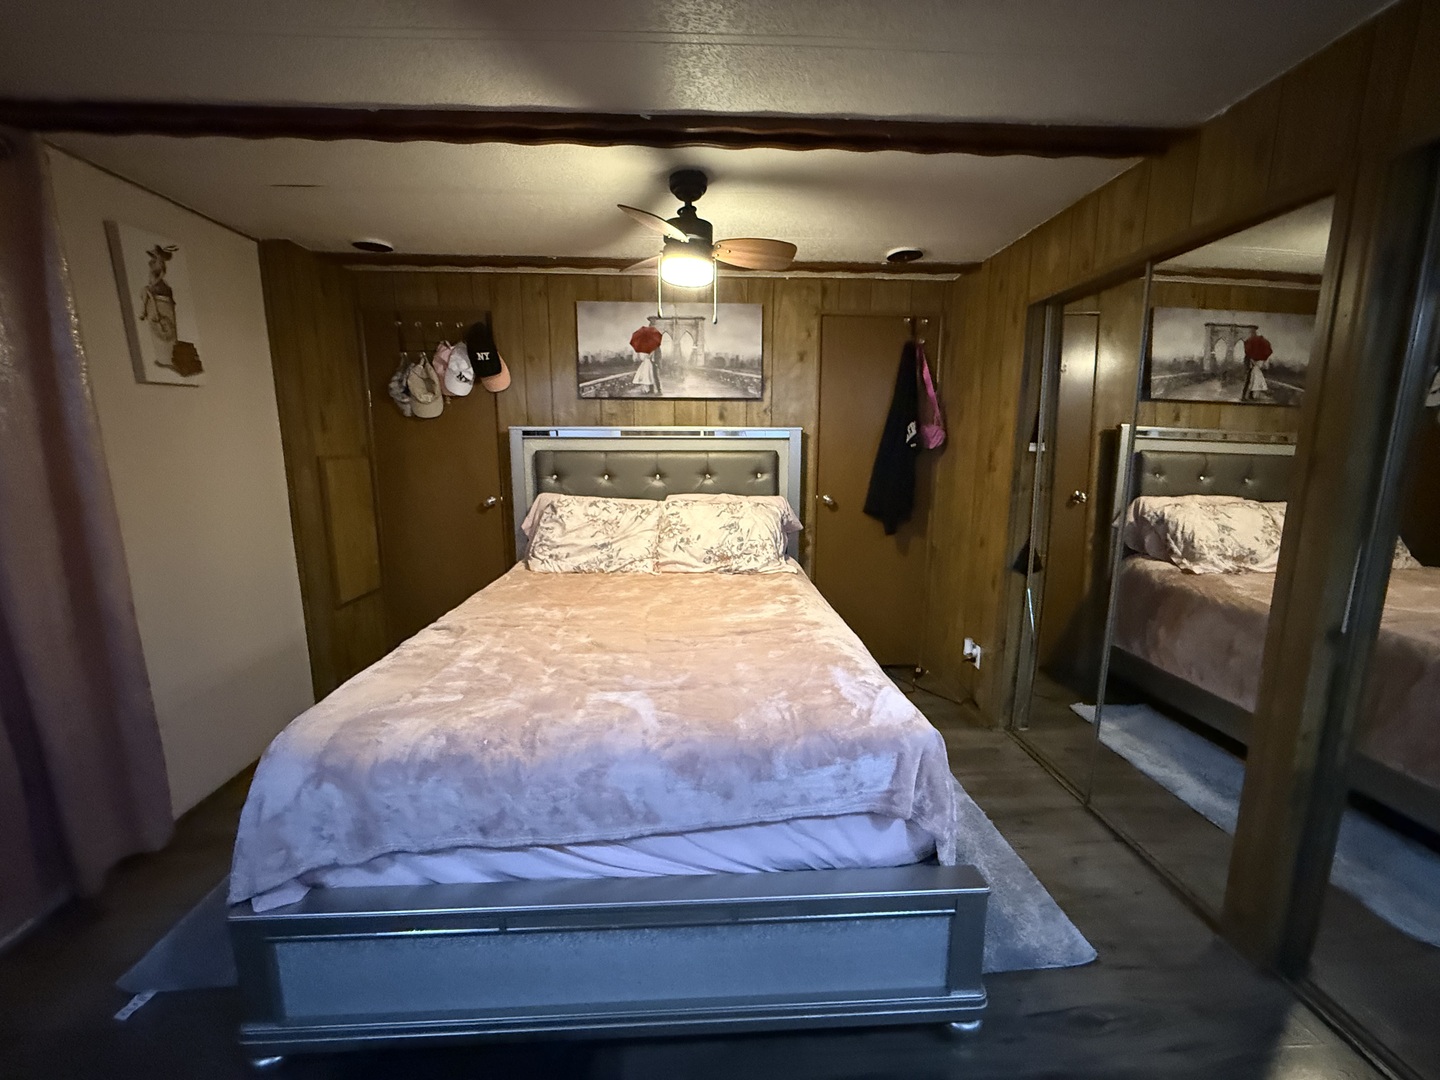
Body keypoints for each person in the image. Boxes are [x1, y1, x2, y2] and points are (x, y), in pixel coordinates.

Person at [1242, 328, 1273, 401]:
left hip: (1252, 364)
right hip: (1255, 364)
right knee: (1252, 380)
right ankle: (1248, 396)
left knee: (1250, 380)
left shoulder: (1251, 342)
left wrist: (1252, 360)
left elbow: (1248, 353)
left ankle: (1247, 396)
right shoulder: (1263, 343)